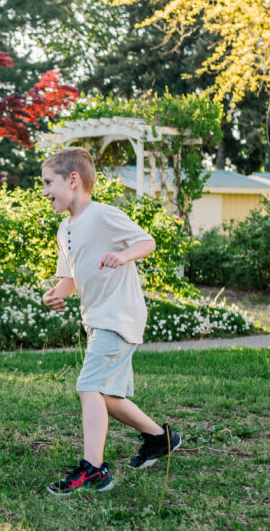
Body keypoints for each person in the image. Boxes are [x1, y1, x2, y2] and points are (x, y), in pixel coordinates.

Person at [40, 147, 180, 495]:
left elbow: (146, 242)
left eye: (48, 182)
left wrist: (123, 255)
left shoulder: (102, 215)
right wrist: (55, 293)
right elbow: (71, 278)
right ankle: (159, 438)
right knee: (107, 395)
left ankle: (94, 469)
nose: (44, 192)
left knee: (88, 387)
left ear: (73, 180)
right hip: (98, 318)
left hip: (118, 314)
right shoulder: (64, 229)